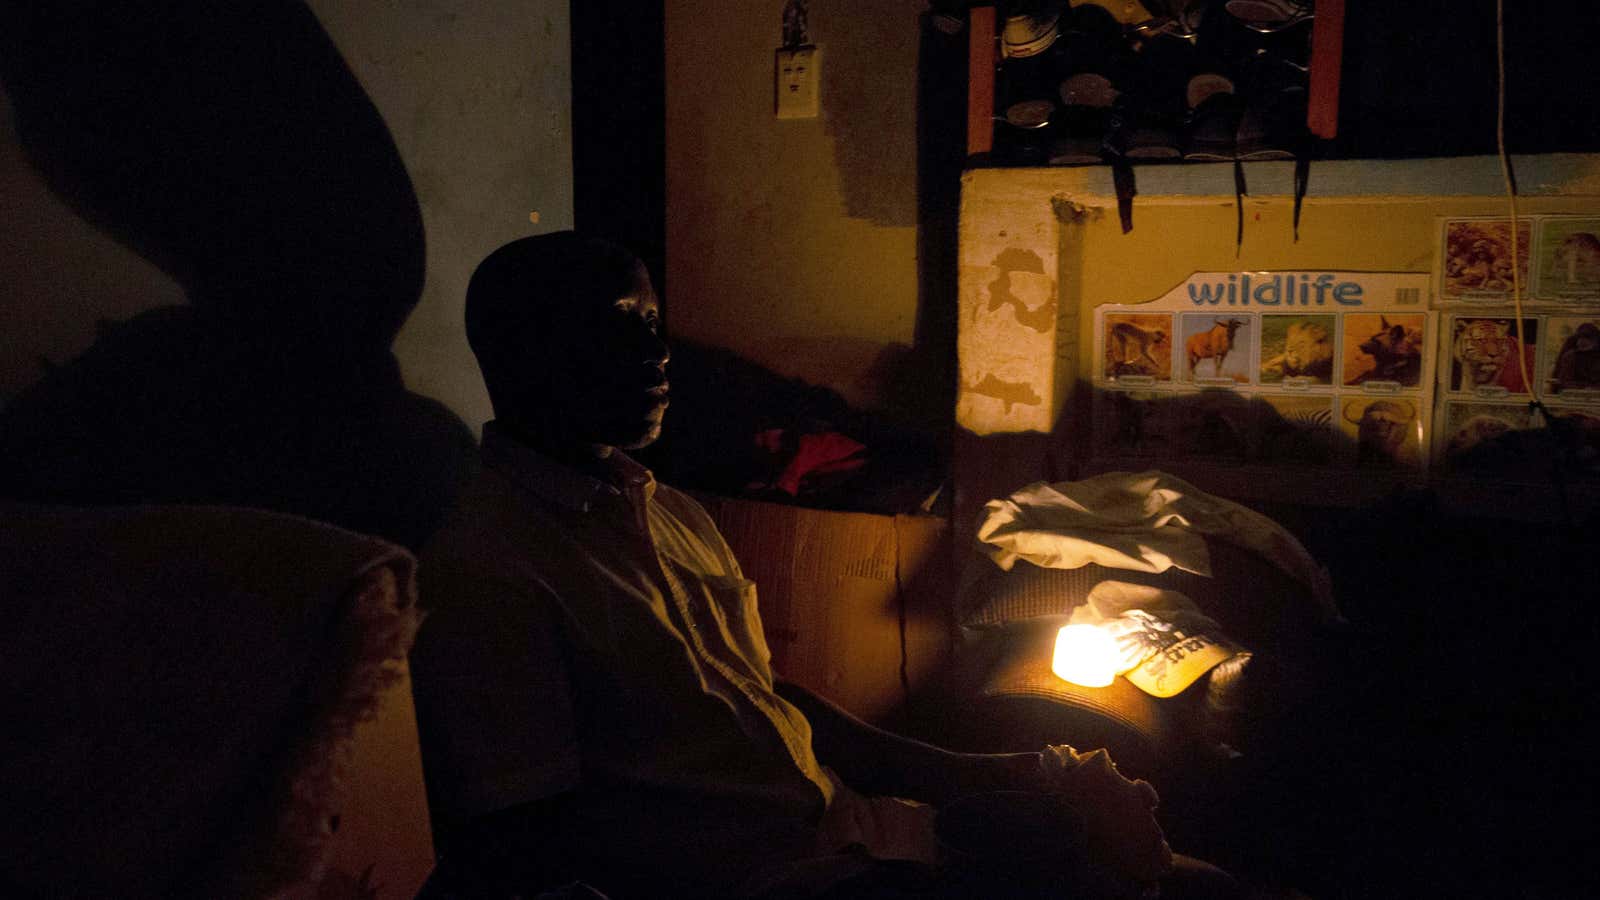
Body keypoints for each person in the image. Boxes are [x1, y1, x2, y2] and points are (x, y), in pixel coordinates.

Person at [410, 232, 1238, 899]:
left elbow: (764, 698)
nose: (657, 354)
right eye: (613, 326)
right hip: (779, 879)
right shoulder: (491, 567)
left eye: (653, 323)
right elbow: (525, 845)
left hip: (854, 831)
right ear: (522, 357)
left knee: (1189, 873)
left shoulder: (664, 510)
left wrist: (990, 772)